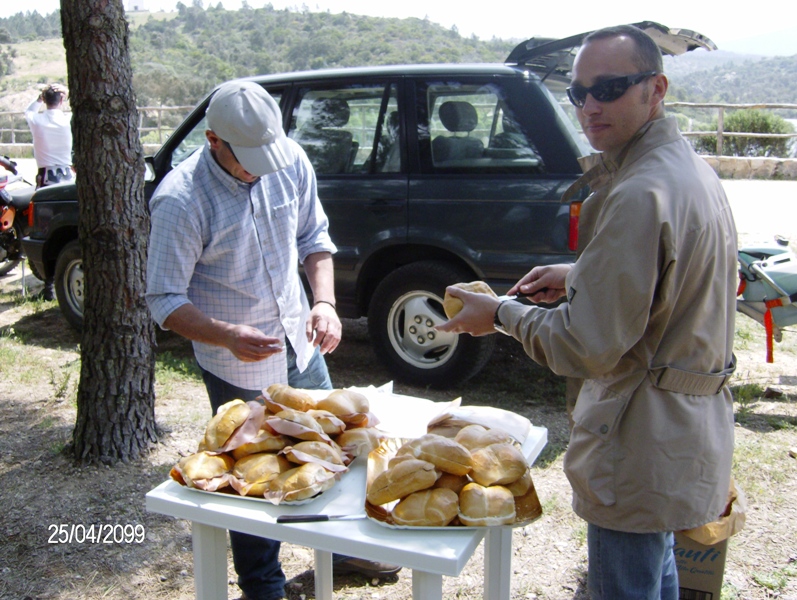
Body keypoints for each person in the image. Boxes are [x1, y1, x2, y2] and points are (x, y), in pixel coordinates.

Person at [438, 25, 737, 600]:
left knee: (628, 583)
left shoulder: (637, 192)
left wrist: (499, 314)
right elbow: (679, 277)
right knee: (656, 570)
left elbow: (586, 345)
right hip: (682, 431)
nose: (590, 106)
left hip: (641, 439)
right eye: (578, 93)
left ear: (657, 88)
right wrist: (582, 276)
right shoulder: (687, 170)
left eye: (610, 87)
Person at [145, 80, 399, 600]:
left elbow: (315, 240)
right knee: (256, 482)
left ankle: (342, 549)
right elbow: (164, 299)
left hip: (302, 346)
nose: (259, 168)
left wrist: (325, 303)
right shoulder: (180, 198)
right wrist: (225, 335)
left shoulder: (290, 161)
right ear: (213, 140)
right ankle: (264, 585)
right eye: (246, 159)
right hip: (236, 365)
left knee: (336, 450)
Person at [25, 83, 73, 300]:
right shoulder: (67, 120)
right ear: (61, 101)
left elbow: (28, 111)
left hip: (46, 177)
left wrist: (38, 98)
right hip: (67, 175)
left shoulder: (37, 120)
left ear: (45, 100)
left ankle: (48, 285)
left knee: (45, 231)